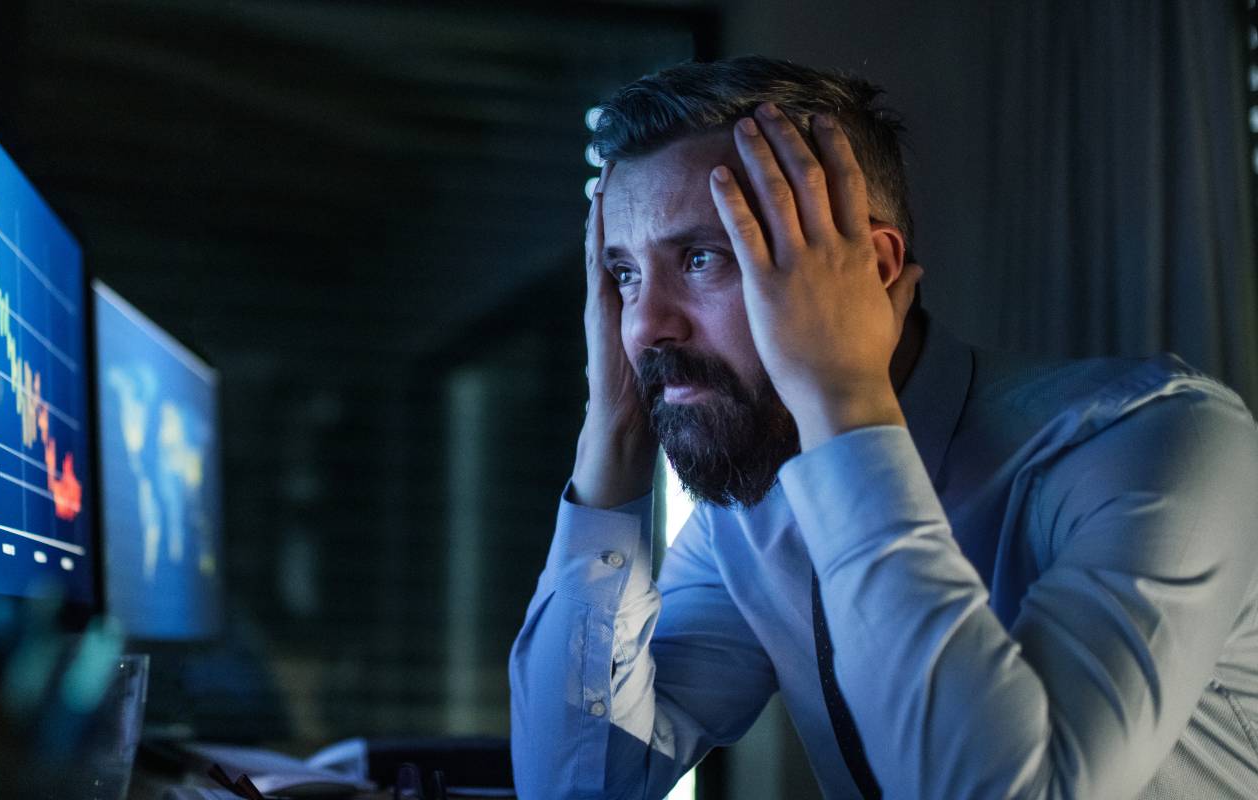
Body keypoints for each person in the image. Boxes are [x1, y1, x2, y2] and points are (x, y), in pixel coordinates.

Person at [508, 55, 1258, 799]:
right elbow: (580, 788)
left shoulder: (1162, 444)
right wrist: (611, 436)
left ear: (870, 269)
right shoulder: (751, 517)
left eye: (701, 258)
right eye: (624, 276)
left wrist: (844, 398)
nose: (643, 327)